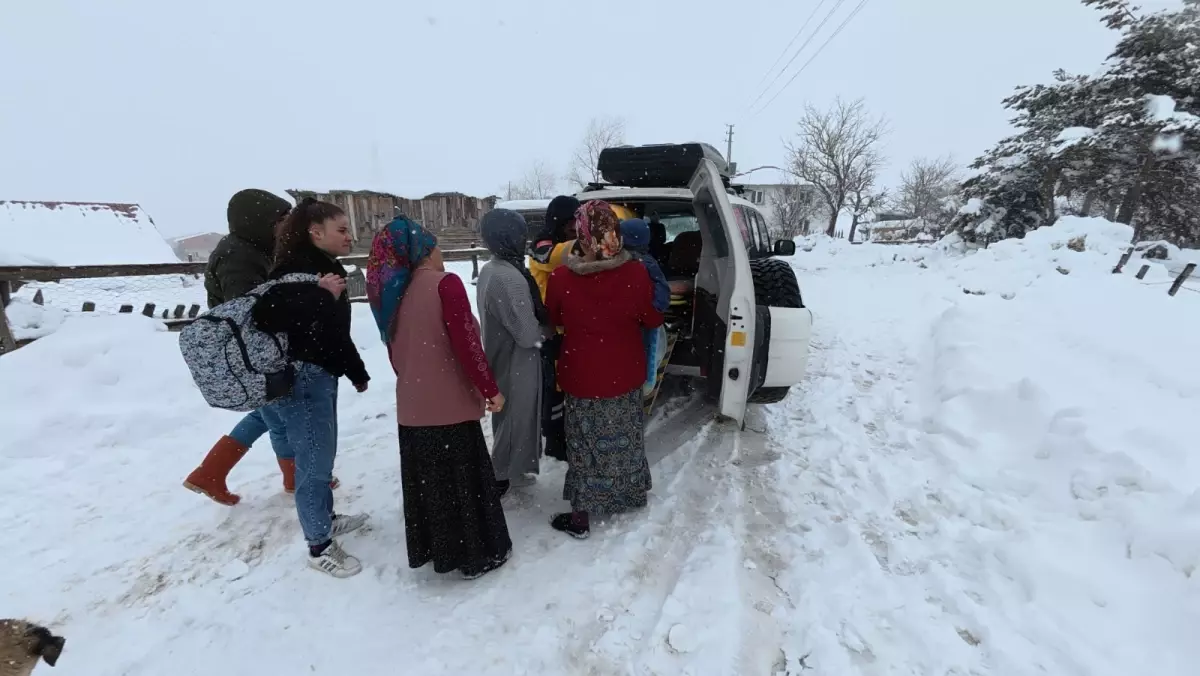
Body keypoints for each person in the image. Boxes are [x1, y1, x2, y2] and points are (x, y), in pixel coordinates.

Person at [367, 216, 513, 580]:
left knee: (432, 488)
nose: (442, 254)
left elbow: (395, 355)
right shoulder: (445, 285)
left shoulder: (393, 295)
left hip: (413, 408)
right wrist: (490, 389)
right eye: (437, 246)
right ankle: (477, 555)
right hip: (448, 407)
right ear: (426, 251)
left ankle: (440, 551)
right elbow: (467, 345)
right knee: (465, 486)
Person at [184, 188, 338, 505]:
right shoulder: (237, 257)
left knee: (270, 413)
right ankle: (292, 477)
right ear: (260, 221)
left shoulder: (256, 248)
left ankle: (211, 472)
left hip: (263, 351)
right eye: (282, 219)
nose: (287, 225)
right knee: (277, 415)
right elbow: (247, 309)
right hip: (250, 355)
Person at [252, 197, 371, 578]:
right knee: (314, 462)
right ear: (314, 233)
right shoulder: (294, 270)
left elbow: (331, 330)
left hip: (322, 374)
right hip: (303, 379)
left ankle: (327, 518)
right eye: (341, 229)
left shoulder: (322, 267)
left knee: (322, 455)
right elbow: (265, 315)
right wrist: (320, 294)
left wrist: (355, 370)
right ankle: (318, 545)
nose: (348, 236)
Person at [544, 201, 665, 539]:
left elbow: (554, 319)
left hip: (581, 376)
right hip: (624, 373)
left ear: (580, 233)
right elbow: (651, 317)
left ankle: (581, 517)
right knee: (624, 440)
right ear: (614, 230)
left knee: (584, 446)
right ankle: (629, 493)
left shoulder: (561, 277)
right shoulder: (636, 272)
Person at [477, 208, 546, 496]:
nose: (525, 240)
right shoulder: (509, 278)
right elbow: (528, 334)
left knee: (508, 416)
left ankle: (511, 468)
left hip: (501, 355)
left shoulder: (492, 268)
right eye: (520, 234)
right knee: (515, 416)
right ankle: (500, 475)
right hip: (516, 360)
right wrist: (549, 331)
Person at [528, 195, 579, 462]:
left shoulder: (564, 242)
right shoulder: (542, 243)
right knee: (554, 388)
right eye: (572, 220)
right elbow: (554, 257)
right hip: (549, 328)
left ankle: (562, 434)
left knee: (565, 384)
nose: (575, 225)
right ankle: (555, 440)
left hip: (566, 327)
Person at [620, 218, 671, 398]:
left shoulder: (644, 263)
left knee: (646, 352)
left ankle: (643, 385)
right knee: (644, 353)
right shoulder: (644, 261)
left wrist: (651, 310)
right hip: (639, 319)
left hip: (642, 320)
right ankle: (641, 384)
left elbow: (662, 292)